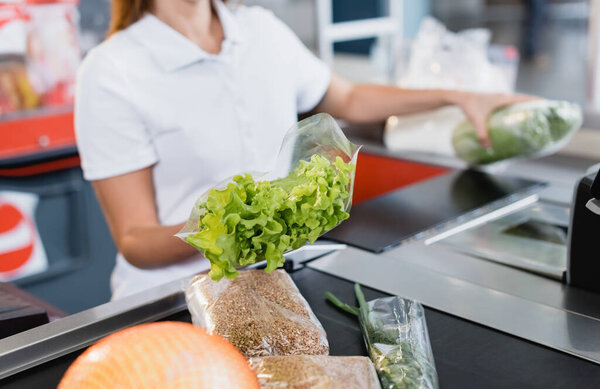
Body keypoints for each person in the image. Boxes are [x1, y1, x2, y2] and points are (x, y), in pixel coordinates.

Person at [76, 0, 533, 300]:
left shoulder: (260, 30)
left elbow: (349, 98)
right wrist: (231, 226)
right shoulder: (111, 70)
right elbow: (135, 239)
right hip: (171, 300)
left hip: (276, 283)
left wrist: (458, 97)